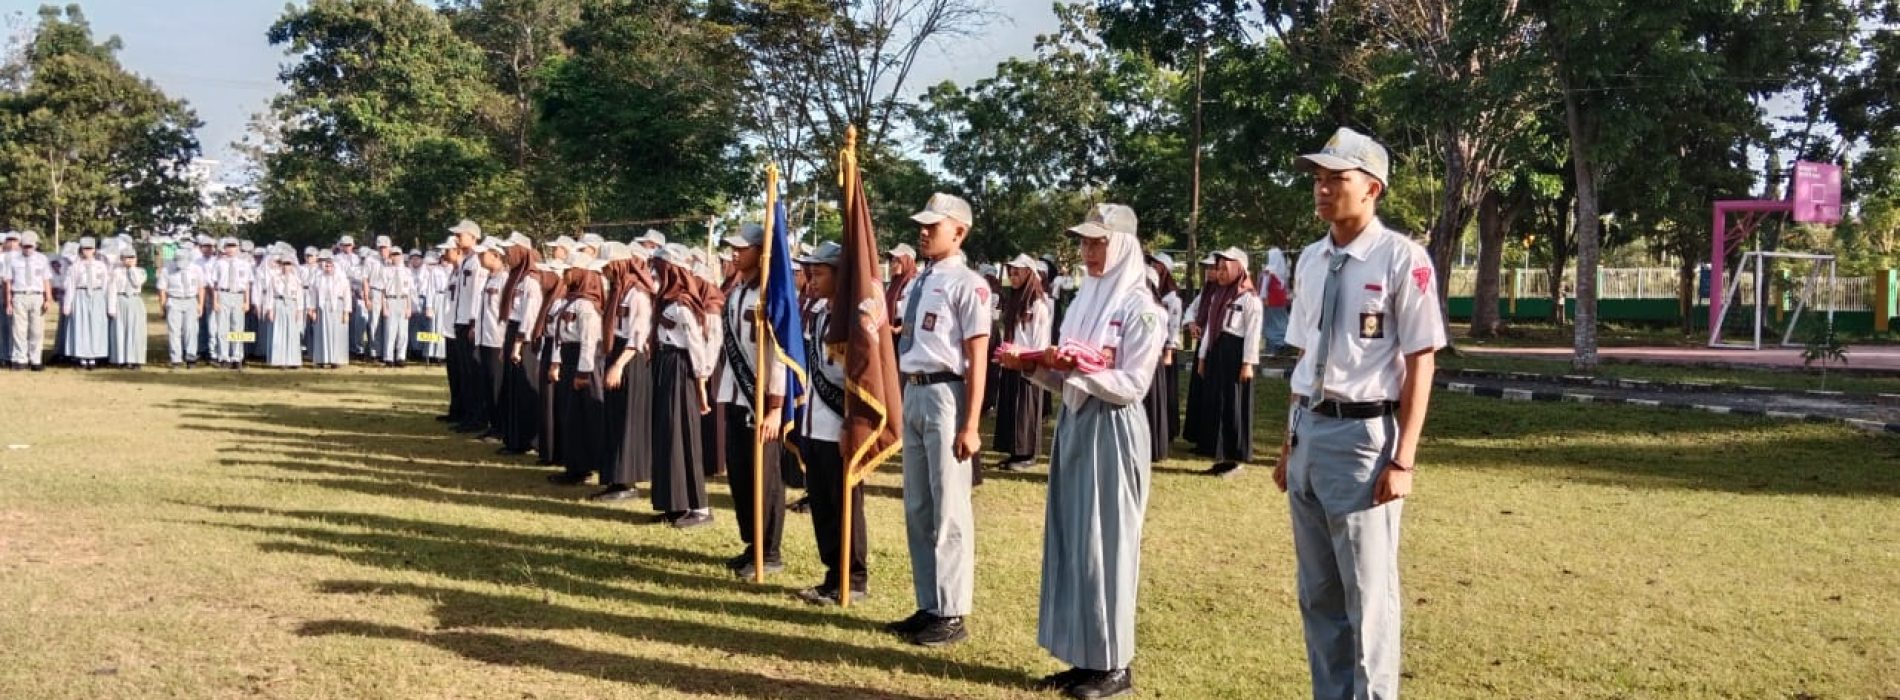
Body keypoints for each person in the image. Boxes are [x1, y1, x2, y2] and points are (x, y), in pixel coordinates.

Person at [1280, 127, 1445, 700]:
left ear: (1372, 187)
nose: (1322, 190)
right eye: (1319, 180)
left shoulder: (1402, 258)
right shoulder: (1311, 259)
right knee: (1319, 594)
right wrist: (1287, 445)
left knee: (1368, 597)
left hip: (1363, 438)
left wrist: (1404, 459)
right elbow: (1305, 356)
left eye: (1336, 179)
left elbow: (1421, 361)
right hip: (1310, 433)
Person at [1000, 203, 1162, 700]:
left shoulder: (1141, 308)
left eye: (1099, 243)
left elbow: (1132, 383)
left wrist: (1076, 368)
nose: (1090, 253)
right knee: (1073, 538)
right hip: (1075, 421)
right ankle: (1082, 655)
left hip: (1112, 427)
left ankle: (1113, 662)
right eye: (1086, 243)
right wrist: (1031, 365)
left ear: (1123, 246)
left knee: (1107, 542)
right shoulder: (1085, 301)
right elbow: (1066, 374)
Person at [884, 193, 991, 648]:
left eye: (934, 226)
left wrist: (971, 424)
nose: (924, 232)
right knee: (918, 507)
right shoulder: (920, 282)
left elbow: (977, 355)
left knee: (949, 508)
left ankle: (951, 610)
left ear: (959, 232)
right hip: (914, 389)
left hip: (947, 392)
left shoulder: (970, 284)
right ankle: (928, 603)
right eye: (922, 225)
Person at [713, 223, 792, 580]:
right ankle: (752, 543)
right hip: (735, 392)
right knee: (741, 475)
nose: (734, 253)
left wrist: (776, 407)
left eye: (741, 248)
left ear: (762, 251)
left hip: (761, 399)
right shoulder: (738, 290)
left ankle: (770, 550)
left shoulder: (770, 294)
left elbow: (777, 354)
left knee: (765, 478)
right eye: (732, 248)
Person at [649, 248, 721, 529]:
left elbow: (696, 344)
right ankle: (674, 503)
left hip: (681, 368)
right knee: (668, 436)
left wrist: (701, 382)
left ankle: (699, 507)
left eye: (661, 268)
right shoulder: (667, 301)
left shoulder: (681, 304)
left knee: (685, 436)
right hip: (666, 366)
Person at [596, 244, 656, 499]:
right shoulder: (619, 292)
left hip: (630, 357)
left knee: (627, 420)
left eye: (607, 266)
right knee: (614, 417)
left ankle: (627, 481)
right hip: (616, 352)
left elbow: (638, 333)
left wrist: (619, 365)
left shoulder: (637, 295)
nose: (605, 271)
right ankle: (614, 477)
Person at [1194, 248, 1261, 477]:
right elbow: (1209, 330)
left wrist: (1248, 363)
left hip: (1235, 354)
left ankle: (1235, 452)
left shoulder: (1250, 300)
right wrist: (1203, 357)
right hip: (1216, 352)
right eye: (1218, 268)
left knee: (1233, 402)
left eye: (1225, 269)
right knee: (1215, 399)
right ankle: (1215, 447)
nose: (1220, 273)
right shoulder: (1217, 296)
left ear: (1237, 269)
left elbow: (1252, 334)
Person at [547, 257, 610, 488]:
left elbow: (589, 342)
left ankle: (591, 465)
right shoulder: (570, 302)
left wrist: (583, 373)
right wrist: (558, 362)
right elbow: (560, 335)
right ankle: (575, 466)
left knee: (588, 417)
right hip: (570, 360)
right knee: (571, 417)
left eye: (570, 270)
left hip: (585, 365)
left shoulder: (586, 306)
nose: (565, 274)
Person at [993, 254, 1051, 470]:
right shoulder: (1015, 301)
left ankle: (1027, 454)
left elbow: (1040, 341)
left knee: (1025, 408)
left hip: (1028, 364)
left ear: (1029, 274)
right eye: (1011, 272)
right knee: (1010, 406)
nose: (1013, 276)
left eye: (1017, 272)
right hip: (1011, 362)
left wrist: (1030, 360)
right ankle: (1013, 451)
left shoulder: (1038, 305)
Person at [5, 232, 52, 370]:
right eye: (25, 246)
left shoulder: (42, 259)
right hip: (19, 295)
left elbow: (46, 280)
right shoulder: (13, 260)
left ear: (36, 245)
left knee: (36, 330)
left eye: (30, 246)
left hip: (37, 296)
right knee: (19, 330)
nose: (28, 249)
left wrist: (48, 299)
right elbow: (8, 281)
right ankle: (20, 359)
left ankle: (35, 360)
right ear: (21, 246)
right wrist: (8, 302)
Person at [62, 238, 110, 370]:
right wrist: (67, 304)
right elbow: (71, 285)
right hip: (80, 295)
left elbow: (106, 285)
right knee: (81, 326)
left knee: (95, 326)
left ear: (94, 250)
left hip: (97, 295)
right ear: (81, 250)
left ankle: (94, 357)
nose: (87, 252)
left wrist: (108, 304)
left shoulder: (101, 266)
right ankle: (82, 358)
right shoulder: (76, 266)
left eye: (90, 249)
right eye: (85, 249)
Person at [207, 238, 254, 369]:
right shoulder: (219, 264)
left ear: (238, 248)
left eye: (234, 246)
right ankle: (224, 357)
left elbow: (247, 285)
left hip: (238, 295)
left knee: (238, 327)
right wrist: (215, 301)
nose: (231, 249)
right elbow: (215, 284)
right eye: (228, 246)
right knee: (223, 327)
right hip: (223, 294)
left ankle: (237, 357)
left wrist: (247, 301)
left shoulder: (244, 264)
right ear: (224, 248)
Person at [159, 243, 207, 369]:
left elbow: (201, 287)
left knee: (191, 330)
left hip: (191, 300)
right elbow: (162, 289)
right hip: (174, 300)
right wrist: (163, 306)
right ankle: (176, 359)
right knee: (174, 331)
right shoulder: (167, 269)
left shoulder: (196, 269)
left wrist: (200, 305)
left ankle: (191, 357)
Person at [106, 244, 149, 369]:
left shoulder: (141, 271)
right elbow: (112, 289)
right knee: (120, 330)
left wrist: (132, 269)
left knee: (136, 331)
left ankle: (136, 359)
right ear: (121, 258)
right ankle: (122, 359)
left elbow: (137, 283)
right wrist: (111, 308)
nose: (129, 260)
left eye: (132, 257)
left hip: (135, 300)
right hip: (120, 299)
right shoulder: (116, 272)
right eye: (126, 257)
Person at [308, 252, 352, 368]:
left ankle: (336, 359)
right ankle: (323, 359)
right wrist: (312, 310)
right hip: (322, 308)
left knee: (337, 333)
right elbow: (313, 294)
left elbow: (347, 295)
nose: (328, 268)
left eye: (330, 266)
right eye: (326, 266)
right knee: (322, 332)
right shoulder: (318, 278)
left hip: (338, 306)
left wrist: (346, 312)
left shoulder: (342, 278)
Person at [377, 242, 417, 367]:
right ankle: (388, 357)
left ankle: (401, 357)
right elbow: (382, 290)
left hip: (403, 300)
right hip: (391, 300)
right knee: (390, 331)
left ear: (402, 256)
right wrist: (384, 306)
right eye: (393, 254)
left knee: (403, 332)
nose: (396, 257)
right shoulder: (385, 271)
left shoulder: (407, 271)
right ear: (390, 256)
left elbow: (409, 291)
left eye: (398, 254)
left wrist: (409, 307)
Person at [1262, 247, 1292, 356]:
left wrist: (1263, 298)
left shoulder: (1268, 272)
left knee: (1271, 324)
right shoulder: (1281, 271)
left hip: (1271, 302)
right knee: (1280, 322)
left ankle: (1275, 347)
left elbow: (1264, 288)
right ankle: (1281, 344)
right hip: (1280, 302)